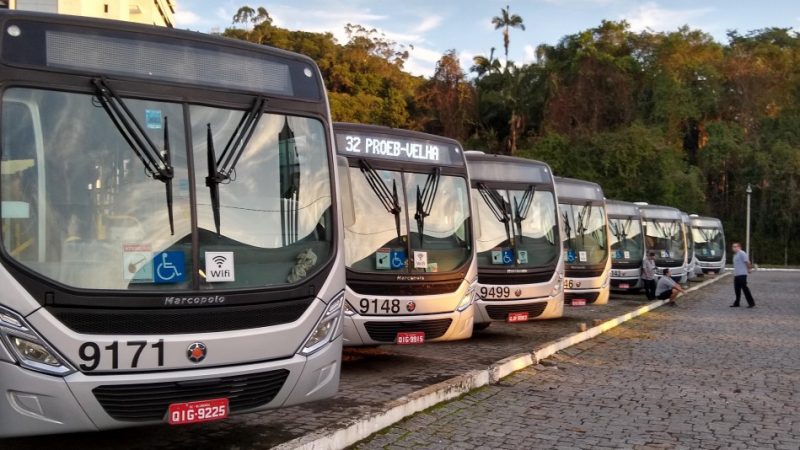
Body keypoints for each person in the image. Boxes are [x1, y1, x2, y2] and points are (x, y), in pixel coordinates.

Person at [730, 242, 755, 308]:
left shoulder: (742, 253)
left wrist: (749, 269)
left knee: (745, 289)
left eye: (736, 246)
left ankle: (751, 303)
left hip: (742, 274)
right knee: (737, 289)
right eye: (733, 247)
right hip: (736, 275)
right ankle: (737, 303)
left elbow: (747, 261)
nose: (734, 248)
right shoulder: (735, 255)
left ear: (739, 247)